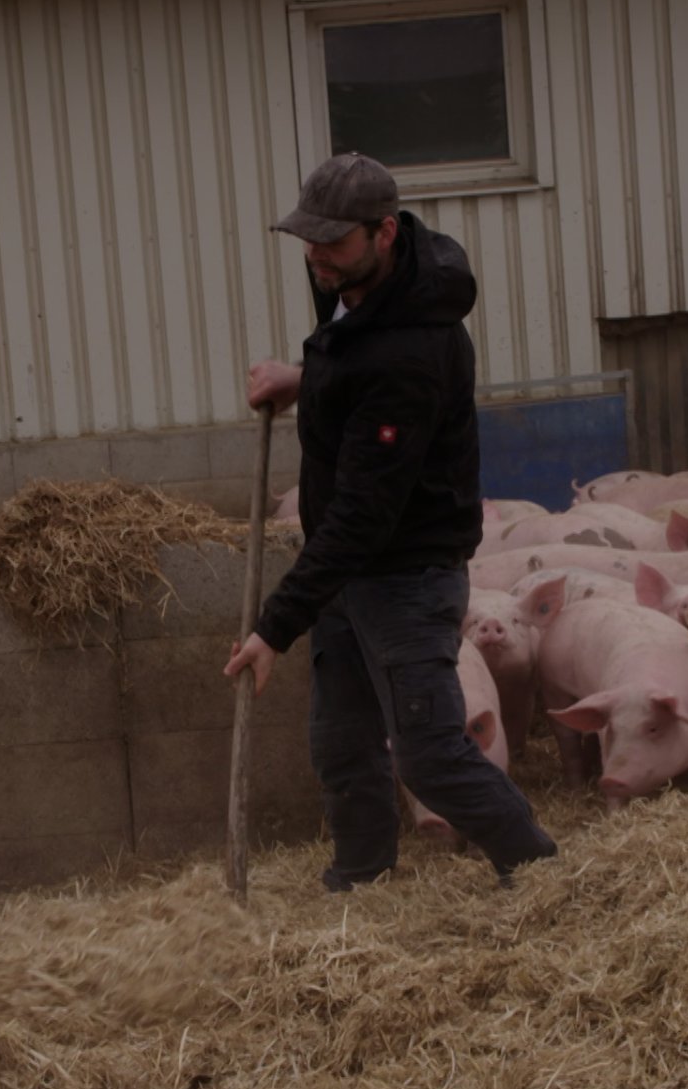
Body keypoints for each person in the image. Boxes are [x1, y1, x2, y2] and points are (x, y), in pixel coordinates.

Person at [223, 152, 557, 891]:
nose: (315, 255)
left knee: (431, 754)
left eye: (332, 241)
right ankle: (364, 878)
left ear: (384, 232)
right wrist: (302, 380)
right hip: (352, 574)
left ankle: (540, 876)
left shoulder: (415, 344)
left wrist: (274, 625)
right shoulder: (365, 286)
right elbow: (355, 363)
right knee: (342, 744)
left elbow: (363, 513)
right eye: (307, 238)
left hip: (404, 573)